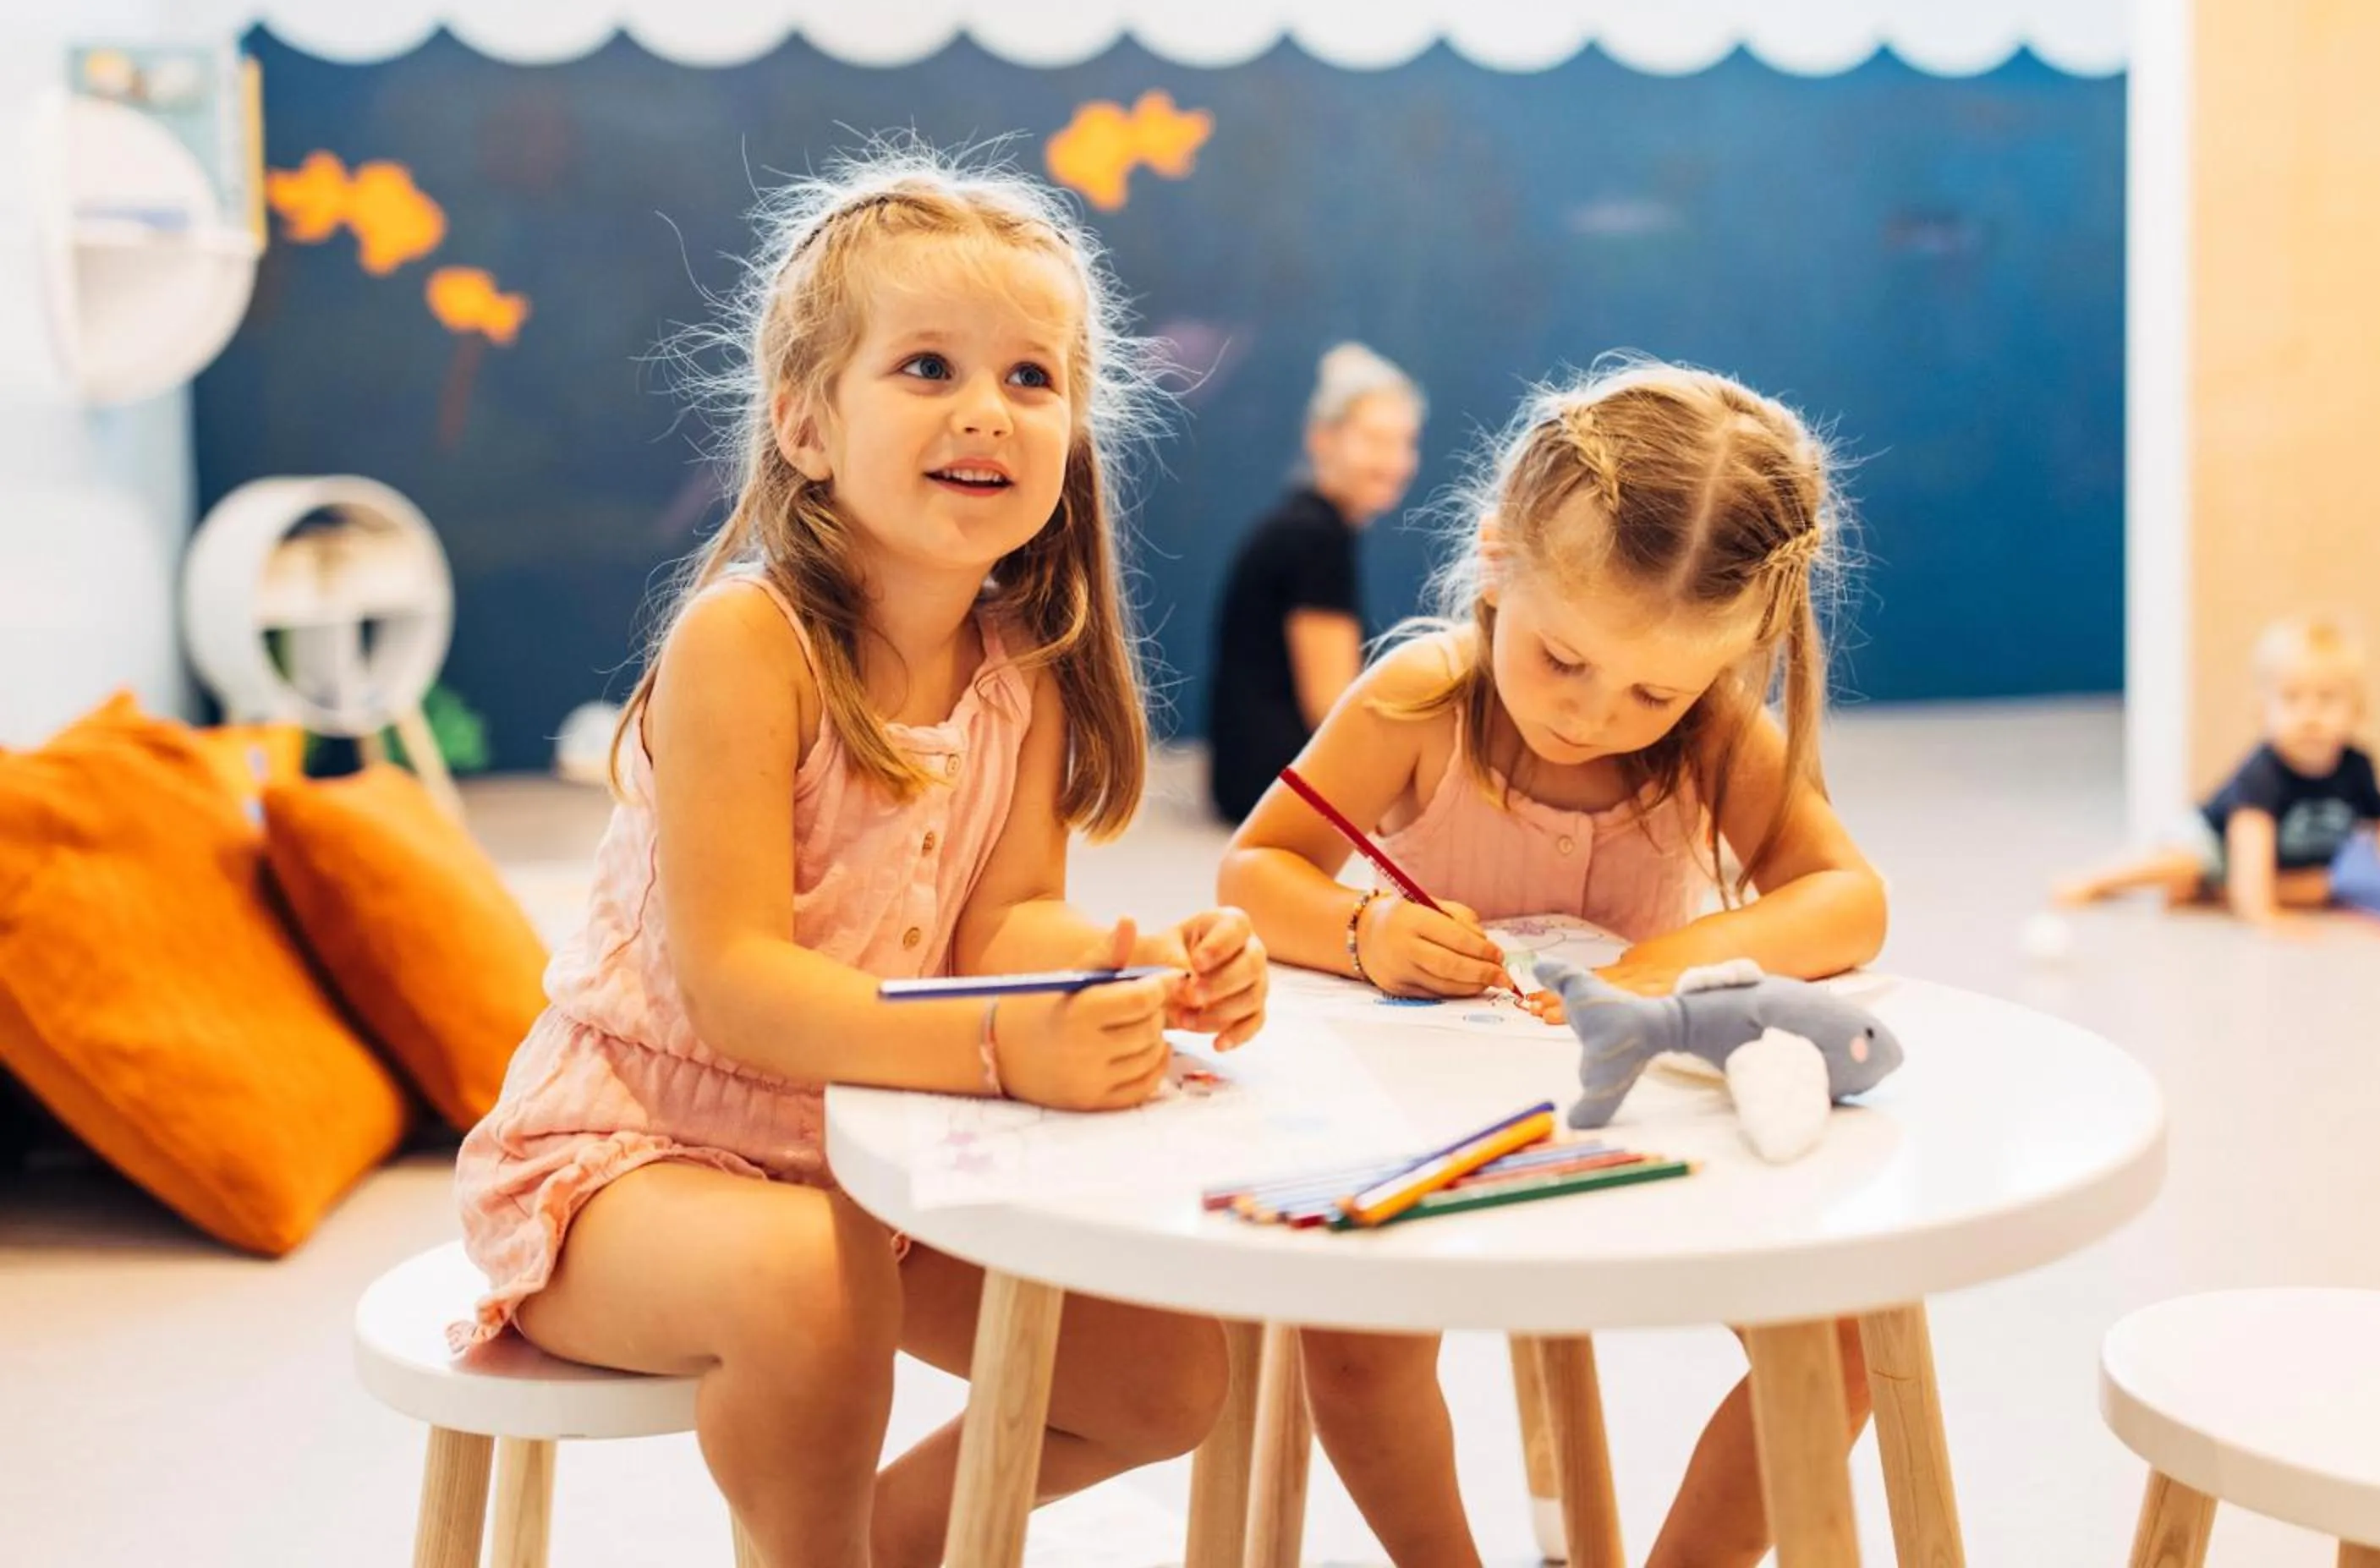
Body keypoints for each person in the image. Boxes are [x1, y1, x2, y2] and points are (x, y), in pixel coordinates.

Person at [452, 151, 1270, 1568]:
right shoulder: (743, 645)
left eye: (1032, 379)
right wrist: (1012, 1055)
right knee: (813, 1289)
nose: (986, 411)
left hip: (868, 1149)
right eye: (928, 366)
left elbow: (1007, 923)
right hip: (625, 1156)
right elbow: (739, 990)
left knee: (1165, 1377)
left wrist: (1131, 970)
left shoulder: (1027, 667)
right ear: (804, 423)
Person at [1219, 359, 1887, 1568]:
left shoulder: (1709, 734)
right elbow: (1257, 873)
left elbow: (1847, 898)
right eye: (1563, 659)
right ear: (1496, 561)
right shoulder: (1422, 700)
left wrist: (1668, 962)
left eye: (1654, 688)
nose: (1594, 715)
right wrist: (1364, 934)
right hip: (1427, 1128)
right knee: (1355, 1343)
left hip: (1625, 1123)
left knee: (1840, 1351)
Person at [2054, 614, 2380, 929]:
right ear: (2264, 712)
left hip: (2274, 867)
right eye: (2292, 700)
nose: (2309, 715)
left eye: (2327, 699)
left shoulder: (2357, 767)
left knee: (2316, 889)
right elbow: (2249, 837)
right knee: (2183, 861)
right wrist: (2261, 911)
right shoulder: (2266, 772)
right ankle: (2098, 879)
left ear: (2359, 711)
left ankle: (2210, 894)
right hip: (2214, 842)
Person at [1206, 342, 1423, 822]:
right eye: (1374, 439)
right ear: (1322, 438)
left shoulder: (1306, 524)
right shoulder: (1315, 538)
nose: (1395, 461)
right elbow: (1330, 707)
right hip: (1268, 786)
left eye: (1405, 442)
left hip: (1245, 778)